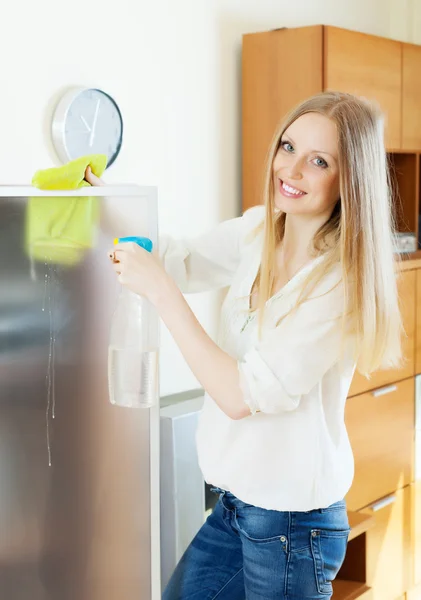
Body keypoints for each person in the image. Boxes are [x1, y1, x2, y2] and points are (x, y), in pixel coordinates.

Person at [85, 91, 403, 600]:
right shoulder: (260, 231)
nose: (291, 169)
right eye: (287, 147)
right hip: (237, 509)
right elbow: (181, 260)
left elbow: (240, 395)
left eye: (317, 161)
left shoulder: (338, 283)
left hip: (293, 528)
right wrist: (109, 205)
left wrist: (160, 291)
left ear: (350, 182)